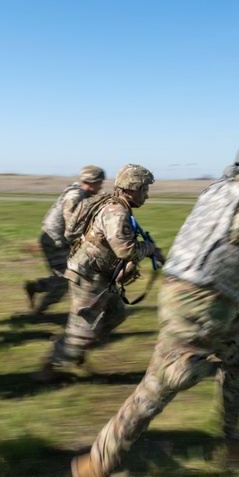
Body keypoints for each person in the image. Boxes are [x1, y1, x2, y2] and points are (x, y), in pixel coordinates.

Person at [71, 134, 239, 477]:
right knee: (161, 387)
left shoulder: (219, 190)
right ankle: (96, 464)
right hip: (200, 306)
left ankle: (235, 447)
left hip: (202, 301)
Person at [34, 164, 163, 384]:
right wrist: (148, 249)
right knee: (82, 328)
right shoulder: (116, 211)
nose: (146, 195)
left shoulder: (115, 204)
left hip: (99, 274)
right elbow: (125, 250)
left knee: (116, 315)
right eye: (144, 189)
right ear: (131, 188)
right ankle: (50, 367)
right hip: (88, 275)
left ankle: (73, 344)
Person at [24, 165, 105, 314]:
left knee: (68, 277)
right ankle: (38, 312)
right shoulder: (74, 197)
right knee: (66, 280)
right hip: (55, 242)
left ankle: (37, 287)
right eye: (100, 182)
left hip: (60, 241)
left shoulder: (83, 195)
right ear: (92, 181)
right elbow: (72, 228)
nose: (101, 186)